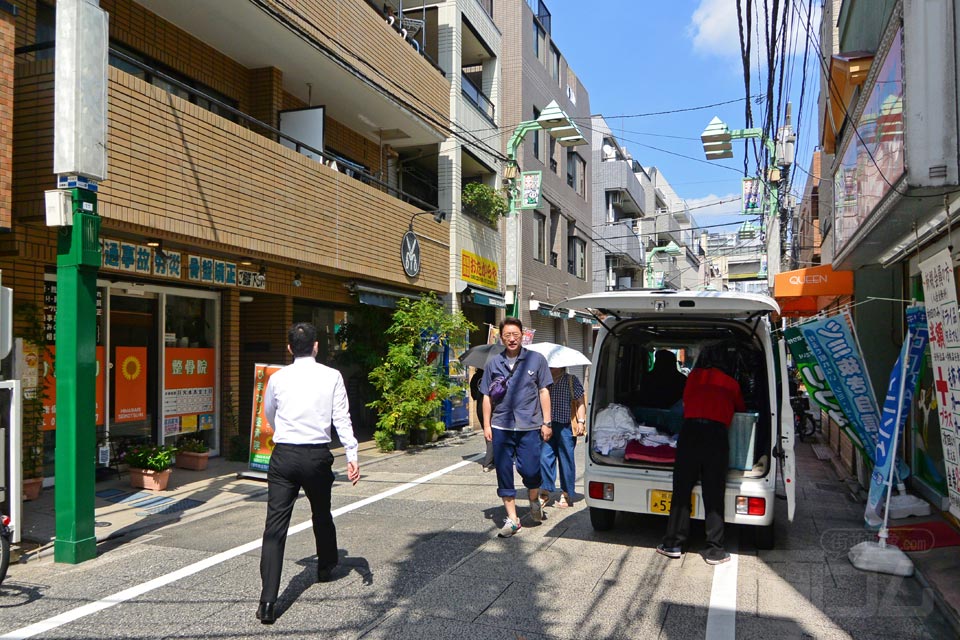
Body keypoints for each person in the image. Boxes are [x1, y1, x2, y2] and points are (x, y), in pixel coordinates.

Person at [257, 322, 361, 624]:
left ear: (290, 348)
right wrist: (352, 455)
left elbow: (269, 413)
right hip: (316, 456)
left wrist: (284, 433)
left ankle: (267, 602)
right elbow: (342, 418)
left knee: (274, 527)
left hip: (284, 455)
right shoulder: (332, 376)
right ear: (317, 346)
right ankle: (326, 565)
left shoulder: (277, 378)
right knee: (321, 512)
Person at [656, 344, 744, 565]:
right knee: (713, 492)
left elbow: (686, 402)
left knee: (682, 488)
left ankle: (673, 543)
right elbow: (741, 409)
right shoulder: (731, 383)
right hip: (716, 435)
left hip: (690, 433)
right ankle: (714, 550)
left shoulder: (693, 377)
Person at [480, 317, 552, 538]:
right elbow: (485, 395)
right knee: (503, 470)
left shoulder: (536, 360)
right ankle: (512, 519)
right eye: (507, 335)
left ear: (523, 336)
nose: (511, 339)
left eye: (515, 335)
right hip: (501, 424)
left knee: (531, 470)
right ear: (501, 337)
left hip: (529, 425)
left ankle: (533, 499)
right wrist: (486, 425)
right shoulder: (493, 362)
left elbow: (543, 391)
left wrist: (546, 422)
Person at [539, 366, 585, 509]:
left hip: (566, 426)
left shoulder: (571, 380)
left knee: (566, 459)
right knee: (544, 457)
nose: (552, 366)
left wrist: (581, 421)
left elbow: (580, 401)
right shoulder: (543, 381)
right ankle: (545, 491)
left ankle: (566, 493)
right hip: (547, 425)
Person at [470, 368, 495, 471]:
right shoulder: (493, 375)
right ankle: (488, 463)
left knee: (487, 432)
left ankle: (492, 459)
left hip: (479, 407)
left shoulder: (475, 377)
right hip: (492, 406)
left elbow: (474, 395)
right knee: (493, 434)